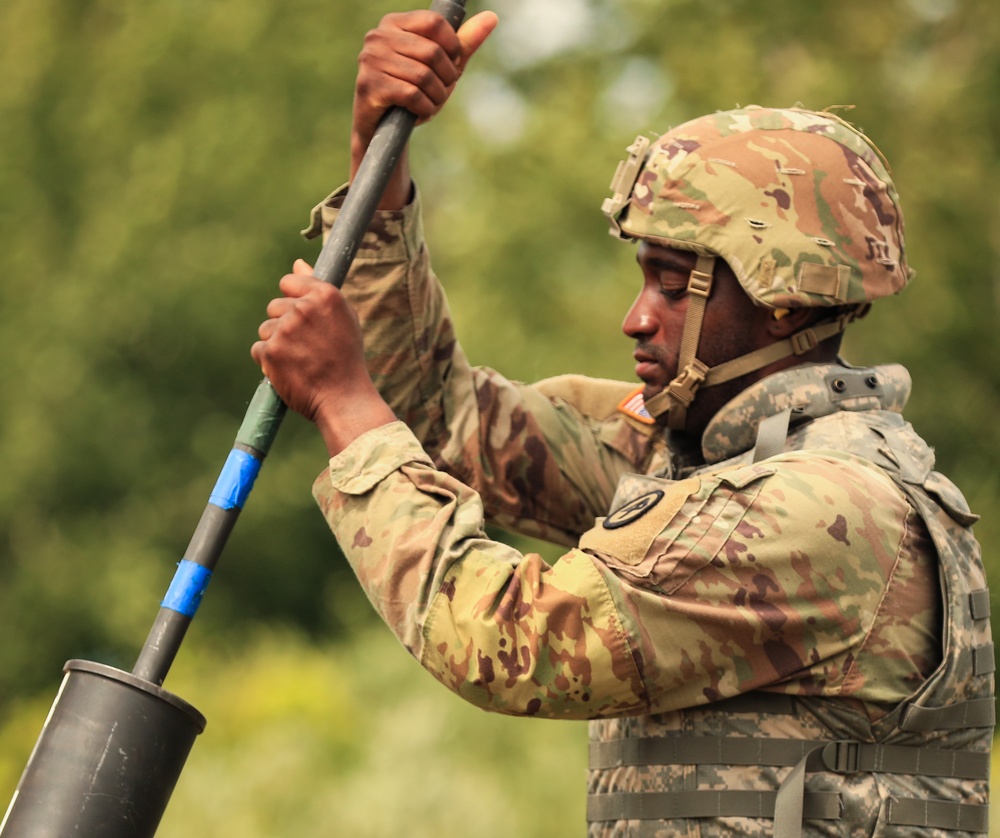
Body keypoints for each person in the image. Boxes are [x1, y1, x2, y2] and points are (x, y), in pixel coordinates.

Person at [251, 9, 994, 837]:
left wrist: (344, 405)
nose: (636, 318)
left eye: (675, 286)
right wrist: (377, 163)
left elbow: (504, 638)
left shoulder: (821, 511)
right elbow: (445, 419)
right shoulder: (697, 461)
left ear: (781, 298)